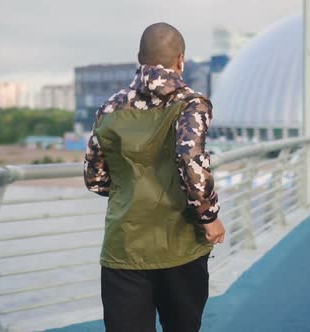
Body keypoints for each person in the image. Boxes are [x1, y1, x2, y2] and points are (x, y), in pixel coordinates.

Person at [83, 22, 225, 332]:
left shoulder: (110, 108)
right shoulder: (191, 104)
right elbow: (190, 159)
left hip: (125, 248)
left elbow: (94, 178)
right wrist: (209, 215)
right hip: (181, 247)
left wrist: (132, 191)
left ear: (139, 57)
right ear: (181, 60)